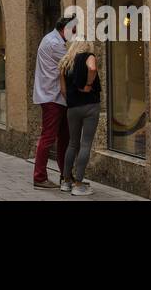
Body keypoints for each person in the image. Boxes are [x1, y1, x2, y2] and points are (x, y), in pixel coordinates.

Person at [32, 15, 73, 188]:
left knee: (64, 137)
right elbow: (71, 64)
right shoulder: (55, 44)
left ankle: (66, 176)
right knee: (48, 137)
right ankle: (39, 177)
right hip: (52, 96)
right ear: (66, 29)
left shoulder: (49, 38)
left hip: (55, 97)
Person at [59, 41, 100, 196]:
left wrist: (72, 98)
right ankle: (78, 184)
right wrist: (88, 84)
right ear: (86, 47)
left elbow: (62, 90)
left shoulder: (65, 63)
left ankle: (66, 181)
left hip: (72, 108)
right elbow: (92, 67)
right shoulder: (88, 56)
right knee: (86, 144)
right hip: (90, 106)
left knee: (72, 144)